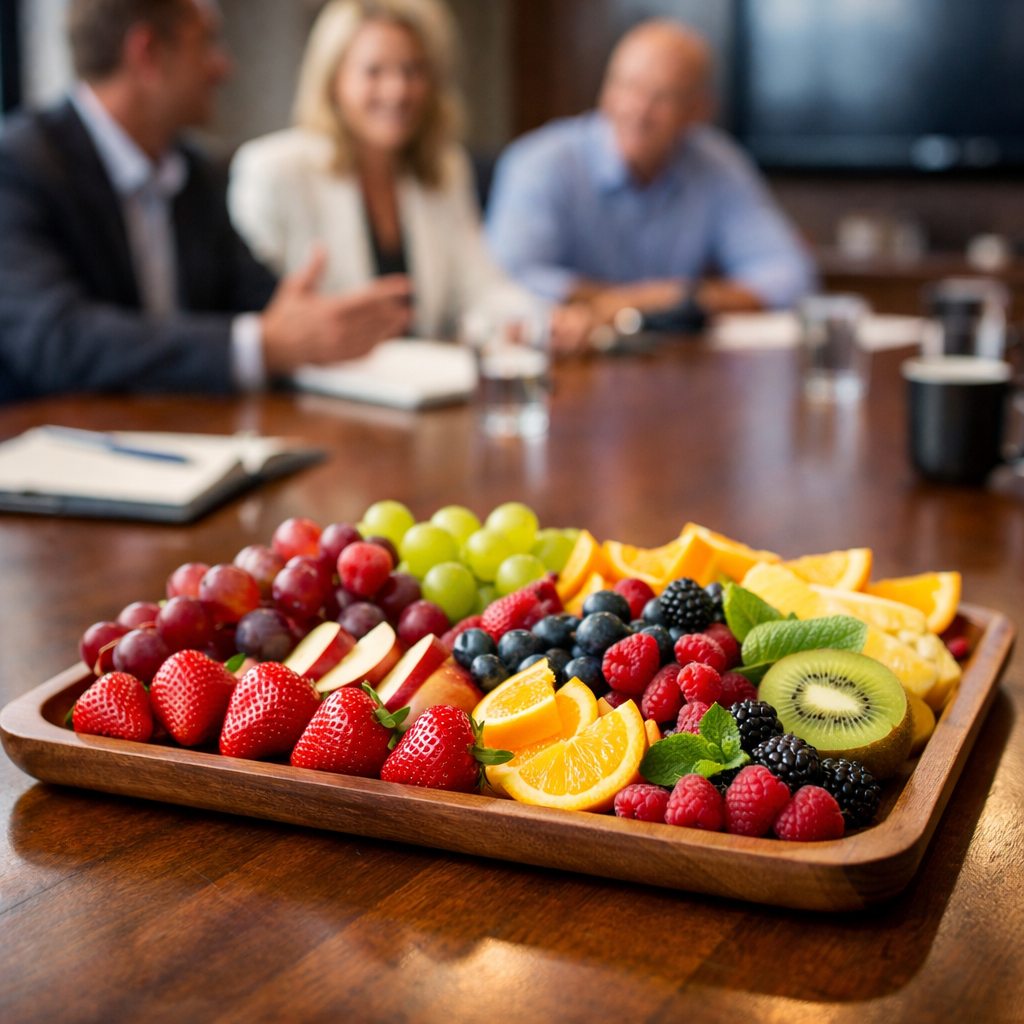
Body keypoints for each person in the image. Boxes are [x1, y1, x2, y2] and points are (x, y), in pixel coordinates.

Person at [0, 0, 412, 402]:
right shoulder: (18, 167)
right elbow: (57, 340)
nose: (224, 67)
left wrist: (318, 322)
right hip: (53, 444)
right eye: (206, 44)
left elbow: (258, 299)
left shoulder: (194, 171)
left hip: (188, 440)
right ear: (149, 54)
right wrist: (256, 346)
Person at [229, 0, 566, 348]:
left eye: (413, 70)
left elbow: (481, 288)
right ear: (333, 80)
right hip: (314, 392)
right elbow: (254, 314)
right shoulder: (274, 170)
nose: (397, 90)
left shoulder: (443, 169)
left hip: (424, 389)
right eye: (374, 71)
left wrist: (541, 319)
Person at [486, 20, 816, 343]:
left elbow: (790, 276)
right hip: (571, 368)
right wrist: (637, 302)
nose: (638, 110)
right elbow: (505, 281)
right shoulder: (540, 163)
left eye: (663, 96)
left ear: (698, 109)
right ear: (605, 91)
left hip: (677, 372)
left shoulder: (717, 165)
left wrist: (679, 298)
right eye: (627, 86)